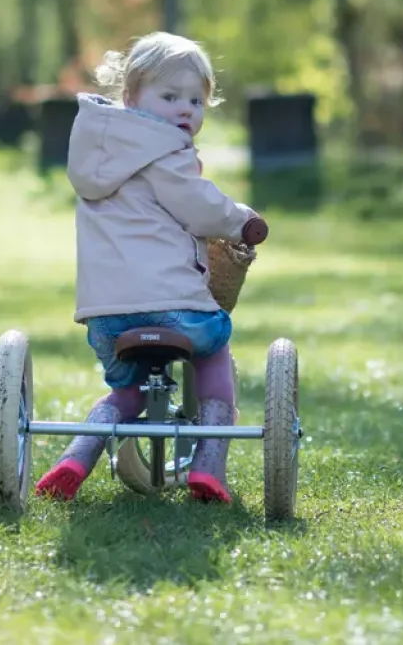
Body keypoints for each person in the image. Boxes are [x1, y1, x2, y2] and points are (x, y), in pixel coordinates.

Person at [32, 32, 267, 504]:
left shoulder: (98, 154)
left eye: (196, 101)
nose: (186, 110)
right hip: (175, 309)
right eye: (170, 97)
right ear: (131, 98)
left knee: (129, 391)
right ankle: (208, 463)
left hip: (106, 317)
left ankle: (77, 456)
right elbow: (199, 208)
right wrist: (242, 221)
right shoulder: (164, 150)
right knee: (215, 346)